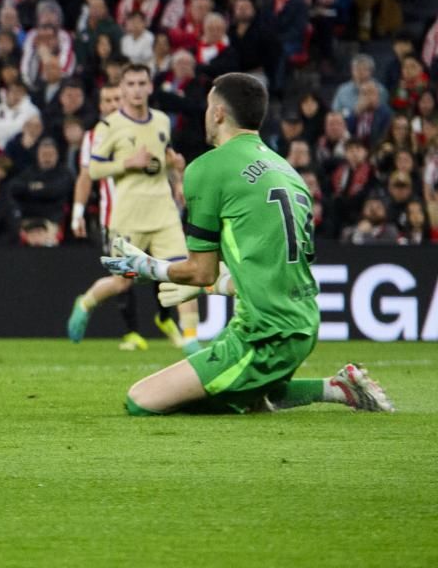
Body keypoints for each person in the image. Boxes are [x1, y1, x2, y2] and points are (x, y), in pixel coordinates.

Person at [104, 73, 393, 416]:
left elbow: (200, 269)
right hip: (302, 323)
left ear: (219, 114)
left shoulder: (208, 168)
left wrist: (148, 267)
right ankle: (335, 388)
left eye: (209, 106)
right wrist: (210, 289)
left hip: (263, 335)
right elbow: (267, 267)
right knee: (237, 389)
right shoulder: (287, 171)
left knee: (142, 401)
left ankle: (303, 391)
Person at [67, 63, 196, 349]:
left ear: (150, 87)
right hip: (127, 217)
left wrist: (177, 175)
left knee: (185, 273)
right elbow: (95, 171)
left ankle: (192, 343)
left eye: (142, 83)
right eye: (131, 84)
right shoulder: (109, 126)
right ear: (123, 89)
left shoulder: (162, 120)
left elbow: (167, 155)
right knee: (122, 282)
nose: (137, 90)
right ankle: (85, 302)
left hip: (163, 212)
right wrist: (129, 163)